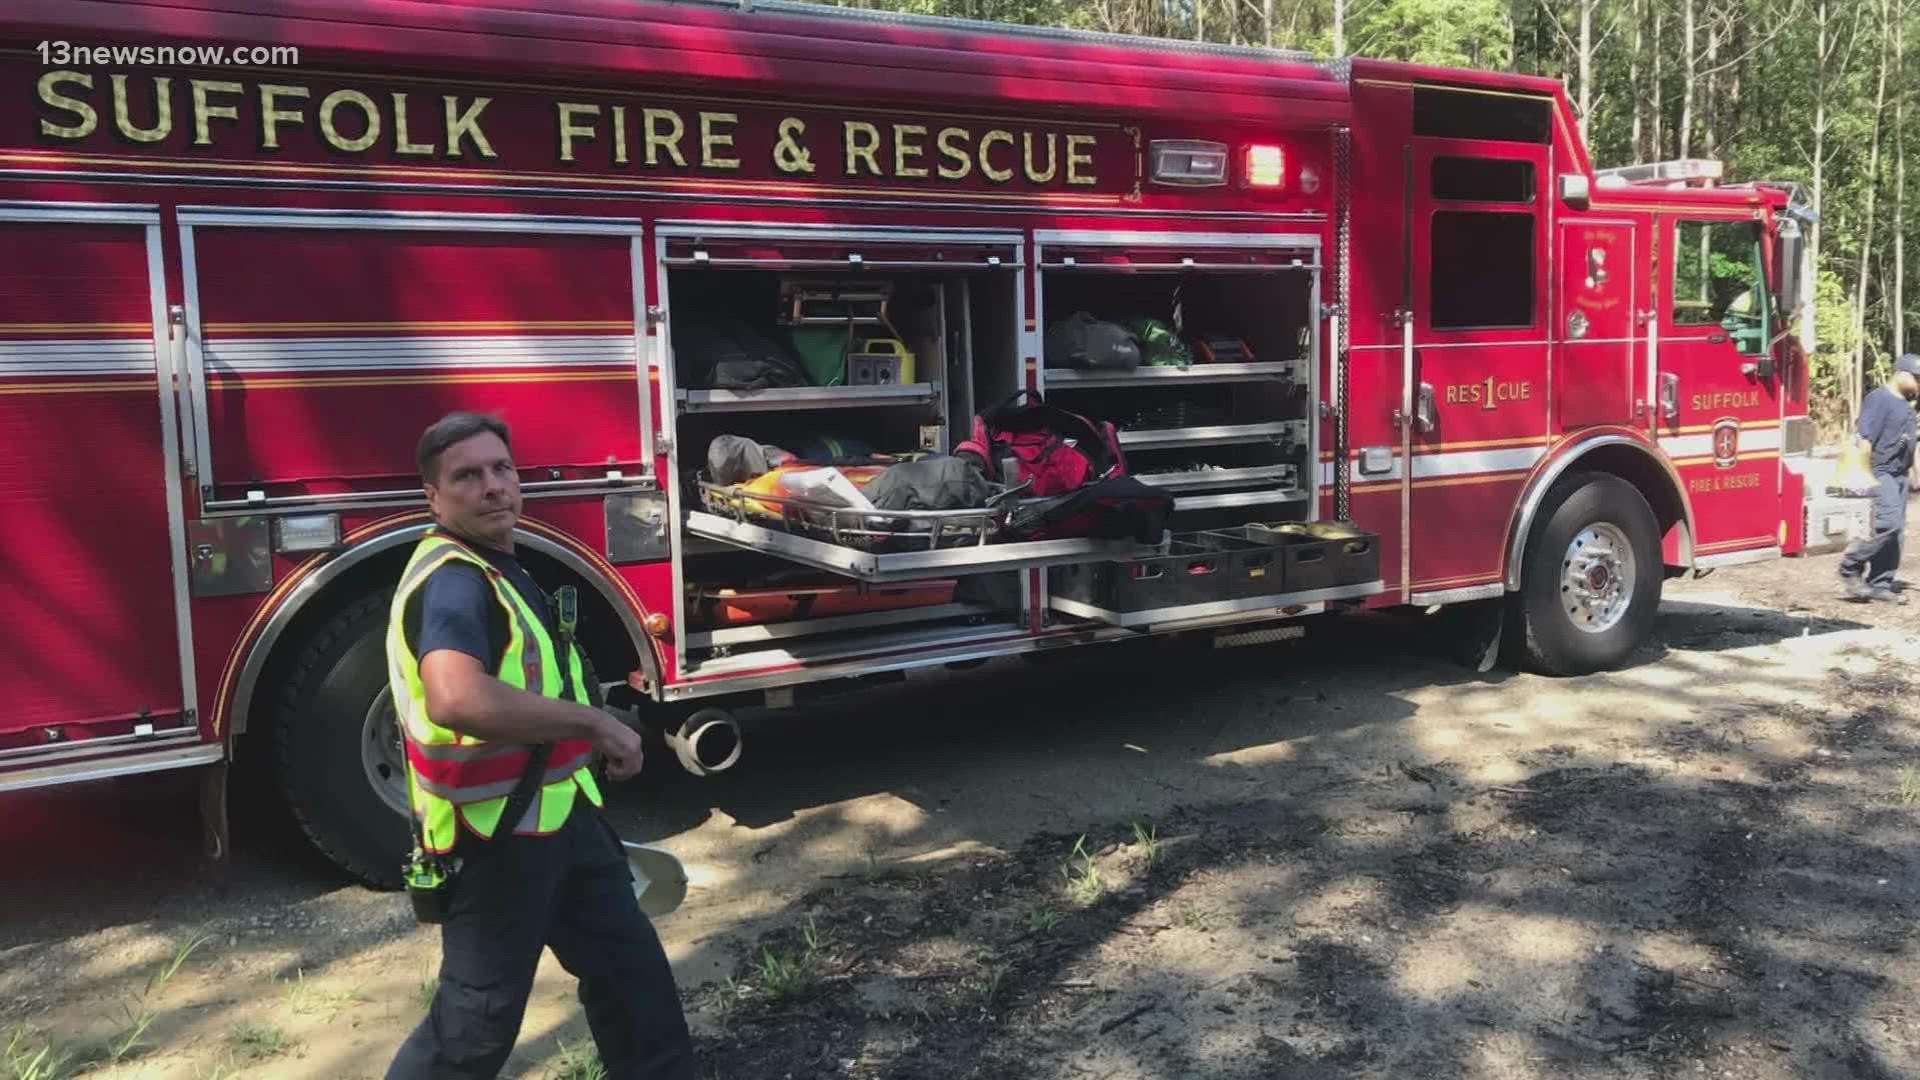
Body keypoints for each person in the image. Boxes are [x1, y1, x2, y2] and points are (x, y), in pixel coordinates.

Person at [386, 412, 695, 1080]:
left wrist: (592, 729)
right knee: (472, 1029)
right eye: (468, 476)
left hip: (562, 820)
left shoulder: (494, 567)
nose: (494, 486)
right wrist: (593, 726)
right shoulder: (455, 580)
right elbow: (455, 696)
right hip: (497, 841)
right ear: (433, 497)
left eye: (503, 469)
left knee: (633, 982)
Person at [1838, 353, 1920, 604]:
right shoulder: (1879, 399)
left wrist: (1915, 476)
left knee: (1897, 533)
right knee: (1887, 525)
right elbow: (1866, 438)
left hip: (1899, 475)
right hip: (1880, 472)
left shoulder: (1906, 405)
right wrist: (1864, 475)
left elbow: (1911, 444)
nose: (1919, 384)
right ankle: (1850, 567)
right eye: (1917, 379)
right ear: (1902, 374)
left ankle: (1880, 583)